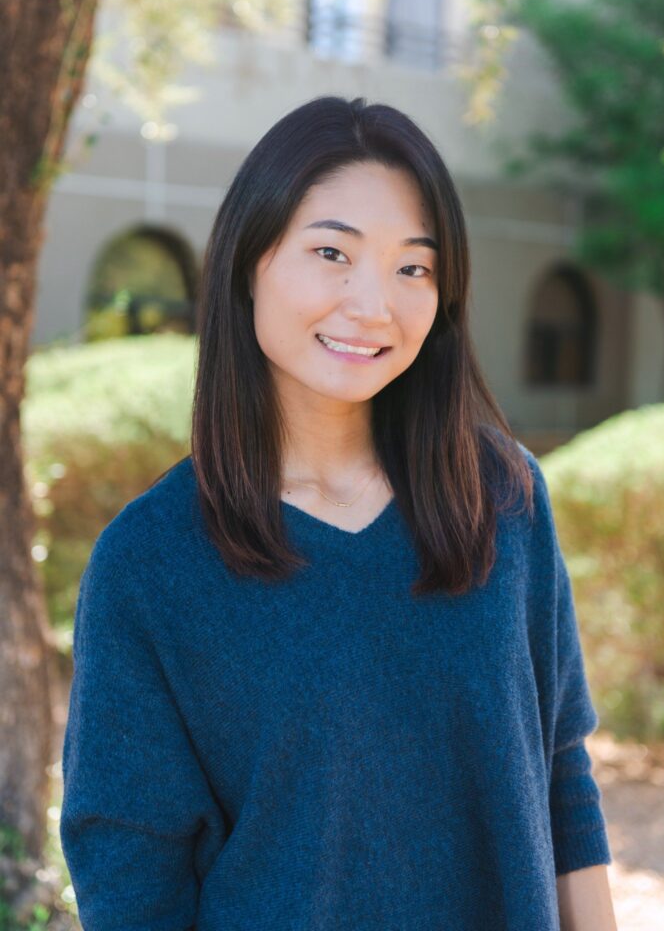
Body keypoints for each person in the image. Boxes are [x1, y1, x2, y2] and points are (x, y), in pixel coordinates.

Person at [59, 95, 618, 930]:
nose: (373, 305)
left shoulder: (502, 497)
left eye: (413, 267)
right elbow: (131, 871)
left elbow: (558, 771)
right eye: (331, 253)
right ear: (250, 260)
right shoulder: (151, 559)